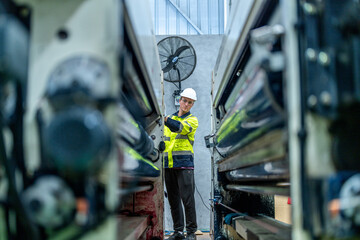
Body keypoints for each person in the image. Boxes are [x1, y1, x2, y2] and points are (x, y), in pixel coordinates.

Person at [163, 88, 199, 240]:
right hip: (168, 165)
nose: (186, 104)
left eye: (189, 102)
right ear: (179, 101)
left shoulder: (192, 120)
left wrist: (165, 120)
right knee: (173, 200)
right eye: (184, 100)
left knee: (187, 199)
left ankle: (191, 233)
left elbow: (179, 128)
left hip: (184, 165)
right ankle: (178, 231)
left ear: (192, 105)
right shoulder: (170, 118)